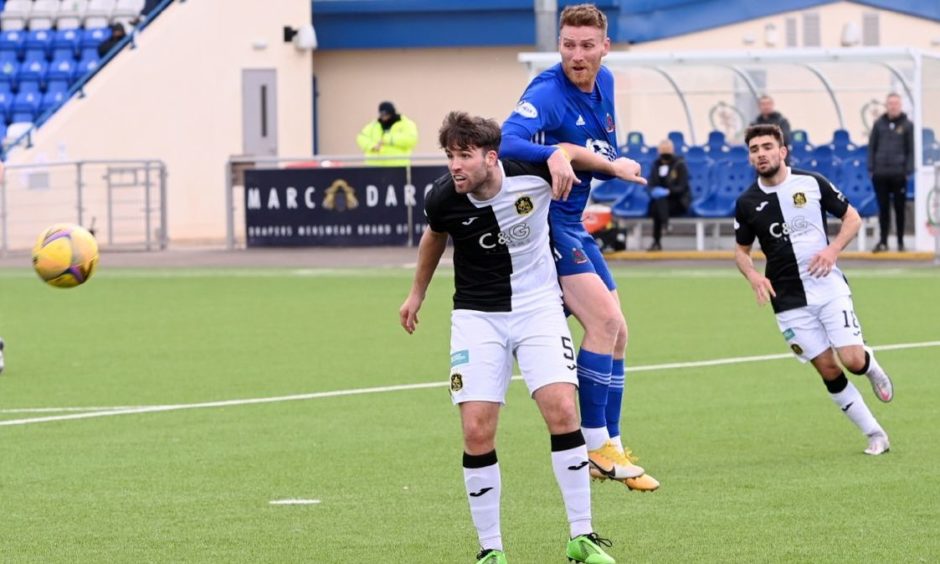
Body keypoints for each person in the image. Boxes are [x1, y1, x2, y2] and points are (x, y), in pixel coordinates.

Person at [399, 111, 643, 564]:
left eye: (464, 156)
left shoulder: (530, 175)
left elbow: (566, 153)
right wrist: (417, 293)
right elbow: (433, 237)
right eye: (450, 155)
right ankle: (491, 549)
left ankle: (582, 537)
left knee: (561, 407)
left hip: (538, 308)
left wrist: (613, 167)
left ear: (491, 158)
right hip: (477, 316)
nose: (455, 165)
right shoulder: (443, 198)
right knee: (476, 428)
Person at [499, 3, 659, 492]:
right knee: (604, 322)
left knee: (620, 331)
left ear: (604, 47)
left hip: (574, 224)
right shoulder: (548, 91)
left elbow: (588, 147)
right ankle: (596, 449)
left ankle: (611, 441)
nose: (576, 55)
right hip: (547, 226)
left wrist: (585, 157)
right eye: (568, 44)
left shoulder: (605, 82)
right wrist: (553, 152)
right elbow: (507, 141)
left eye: (587, 45)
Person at [734, 124, 894, 456]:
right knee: (828, 368)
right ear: (749, 157)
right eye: (753, 149)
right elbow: (741, 251)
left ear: (782, 151)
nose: (760, 153)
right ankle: (875, 434)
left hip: (828, 286)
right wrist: (753, 277)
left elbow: (852, 219)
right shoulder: (747, 202)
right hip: (787, 299)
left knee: (851, 360)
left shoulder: (811, 183)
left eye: (766, 146)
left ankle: (870, 364)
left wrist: (832, 250)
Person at [867, 92, 914, 253]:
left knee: (900, 208)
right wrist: (871, 168)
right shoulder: (879, 124)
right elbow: (872, 147)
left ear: (900, 106)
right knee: (883, 208)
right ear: (886, 105)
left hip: (899, 174)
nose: (893, 106)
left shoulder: (907, 125)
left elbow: (911, 150)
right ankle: (883, 241)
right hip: (880, 174)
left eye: (896, 103)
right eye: (890, 103)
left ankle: (900, 242)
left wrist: (908, 170)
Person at [645, 139, 690, 251]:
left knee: (658, 204)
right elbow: (650, 184)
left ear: (672, 151)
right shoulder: (655, 165)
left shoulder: (680, 165)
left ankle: (656, 241)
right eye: (663, 151)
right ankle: (665, 225)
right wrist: (653, 191)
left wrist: (669, 191)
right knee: (657, 204)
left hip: (677, 202)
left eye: (667, 151)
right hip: (660, 204)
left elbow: (683, 187)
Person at [356, 101, 419, 167]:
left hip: (397, 166)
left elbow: (411, 139)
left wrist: (388, 139)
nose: (385, 118)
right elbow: (361, 137)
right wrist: (372, 146)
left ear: (392, 113)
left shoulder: (405, 123)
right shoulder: (374, 124)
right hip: (374, 166)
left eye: (387, 115)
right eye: (382, 115)